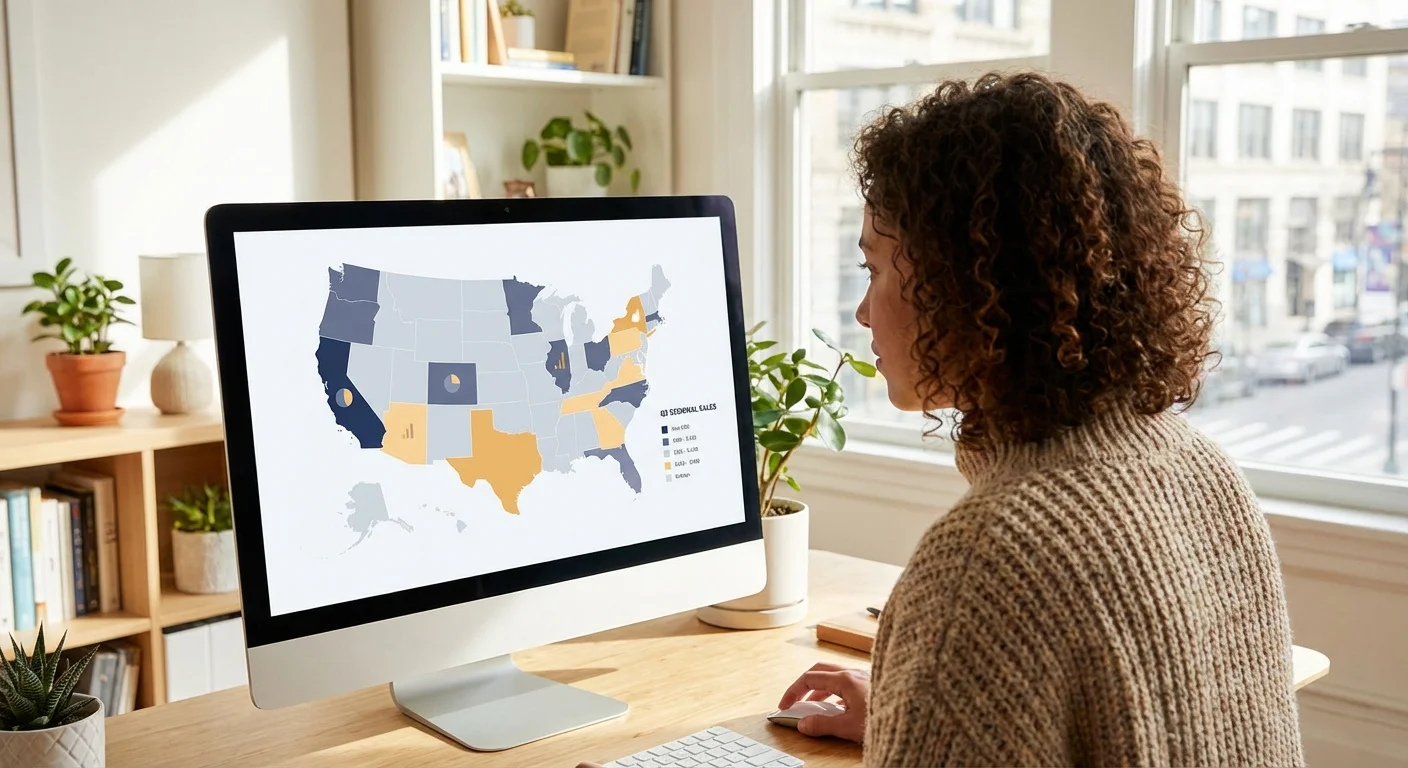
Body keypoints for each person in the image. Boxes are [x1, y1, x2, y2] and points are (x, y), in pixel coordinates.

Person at [772, 72, 1304, 766]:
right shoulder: (1201, 467)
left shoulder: (987, 558)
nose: (863, 312)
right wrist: (925, 717)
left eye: (874, 268)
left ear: (955, 283)